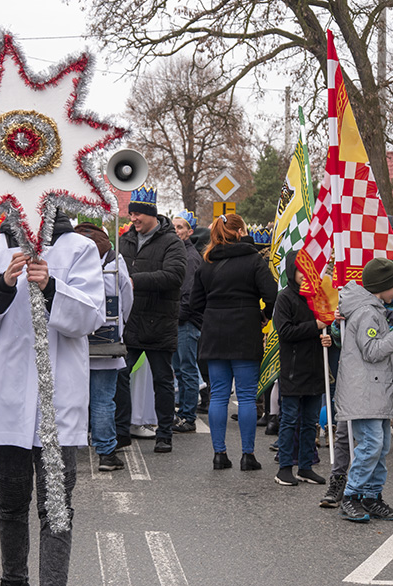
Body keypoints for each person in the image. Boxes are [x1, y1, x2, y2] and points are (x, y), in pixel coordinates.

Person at [0, 210, 104, 586]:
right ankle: (12, 579)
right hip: (8, 397)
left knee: (57, 507)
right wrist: (0, 286)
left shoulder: (79, 248)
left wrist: (52, 287)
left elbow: (90, 317)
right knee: (11, 502)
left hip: (58, 396)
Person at [190, 213, 276, 471]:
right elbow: (272, 295)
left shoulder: (206, 262)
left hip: (214, 333)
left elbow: (195, 305)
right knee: (247, 396)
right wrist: (262, 316)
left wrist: (209, 321)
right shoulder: (253, 260)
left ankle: (219, 455)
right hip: (245, 330)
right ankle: (248, 456)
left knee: (218, 395)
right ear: (240, 232)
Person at [335, 258, 393, 522]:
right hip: (364, 391)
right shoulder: (368, 312)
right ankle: (351, 495)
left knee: (381, 446)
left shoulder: (374, 309)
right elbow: (372, 351)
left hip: (375, 390)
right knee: (371, 445)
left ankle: (371, 496)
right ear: (383, 286)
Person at [115, 186, 186, 454]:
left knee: (163, 382)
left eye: (137, 214)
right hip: (131, 322)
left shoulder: (172, 243)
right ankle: (121, 432)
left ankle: (164, 434)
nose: (133, 219)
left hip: (159, 323)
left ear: (151, 215)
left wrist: (134, 281)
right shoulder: (125, 240)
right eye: (131, 213)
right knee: (120, 376)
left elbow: (174, 276)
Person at [75, 222, 133, 472]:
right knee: (103, 400)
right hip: (107, 340)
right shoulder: (115, 261)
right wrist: (120, 326)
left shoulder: (69, 256)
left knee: (69, 397)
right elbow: (127, 296)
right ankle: (106, 453)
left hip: (73, 339)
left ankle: (65, 447)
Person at [273, 251, 332, 486]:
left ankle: (305, 467)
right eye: (299, 269)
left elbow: (327, 328)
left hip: (315, 368)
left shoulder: (319, 297)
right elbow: (285, 332)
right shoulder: (285, 298)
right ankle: (285, 467)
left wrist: (327, 338)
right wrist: (314, 326)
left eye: (308, 269)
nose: (304, 274)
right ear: (291, 270)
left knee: (310, 422)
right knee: (289, 419)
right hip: (293, 369)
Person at [171, 210, 203, 434]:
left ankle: (188, 415)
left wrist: (179, 316)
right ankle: (183, 410)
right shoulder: (178, 252)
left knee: (187, 369)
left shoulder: (190, 257)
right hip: (178, 320)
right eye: (174, 227)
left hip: (186, 322)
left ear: (189, 231)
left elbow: (189, 294)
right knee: (180, 370)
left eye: (180, 227)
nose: (176, 231)